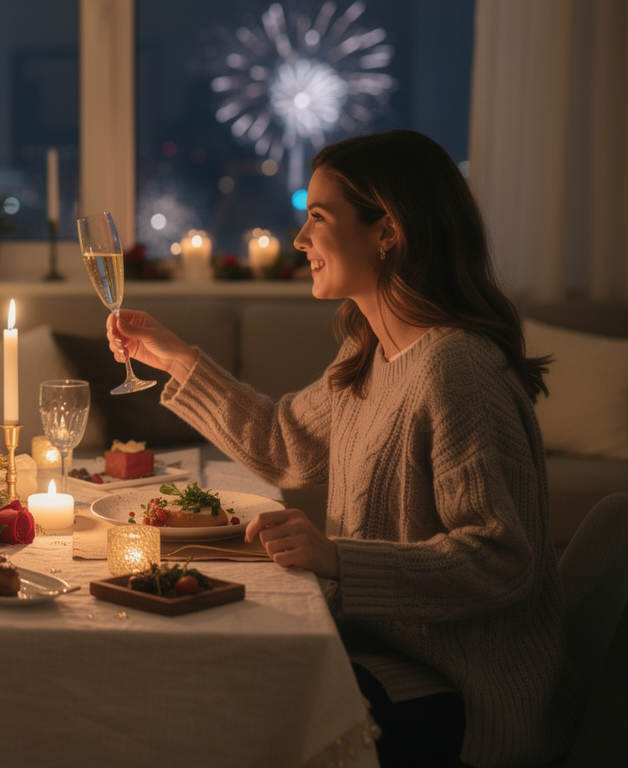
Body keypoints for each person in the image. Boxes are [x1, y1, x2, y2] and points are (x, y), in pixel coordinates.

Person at [107, 130, 574, 768]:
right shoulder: (370, 355)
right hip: (376, 651)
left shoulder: (456, 369)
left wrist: (339, 561)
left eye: (318, 218)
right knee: (190, 673)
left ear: (389, 231)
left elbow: (502, 559)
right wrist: (177, 360)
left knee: (218, 707)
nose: (300, 240)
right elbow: (281, 444)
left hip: (457, 693)